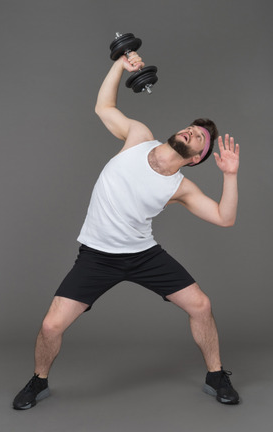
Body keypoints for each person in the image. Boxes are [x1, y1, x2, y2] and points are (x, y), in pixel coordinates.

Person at [13, 51, 240, 410]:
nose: (192, 130)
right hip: (97, 256)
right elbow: (104, 107)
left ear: (197, 158)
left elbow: (224, 218)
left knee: (201, 305)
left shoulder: (180, 188)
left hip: (142, 256)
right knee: (51, 325)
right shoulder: (138, 137)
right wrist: (120, 65)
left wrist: (229, 176)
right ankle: (38, 381)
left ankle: (216, 375)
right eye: (192, 127)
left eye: (198, 137)